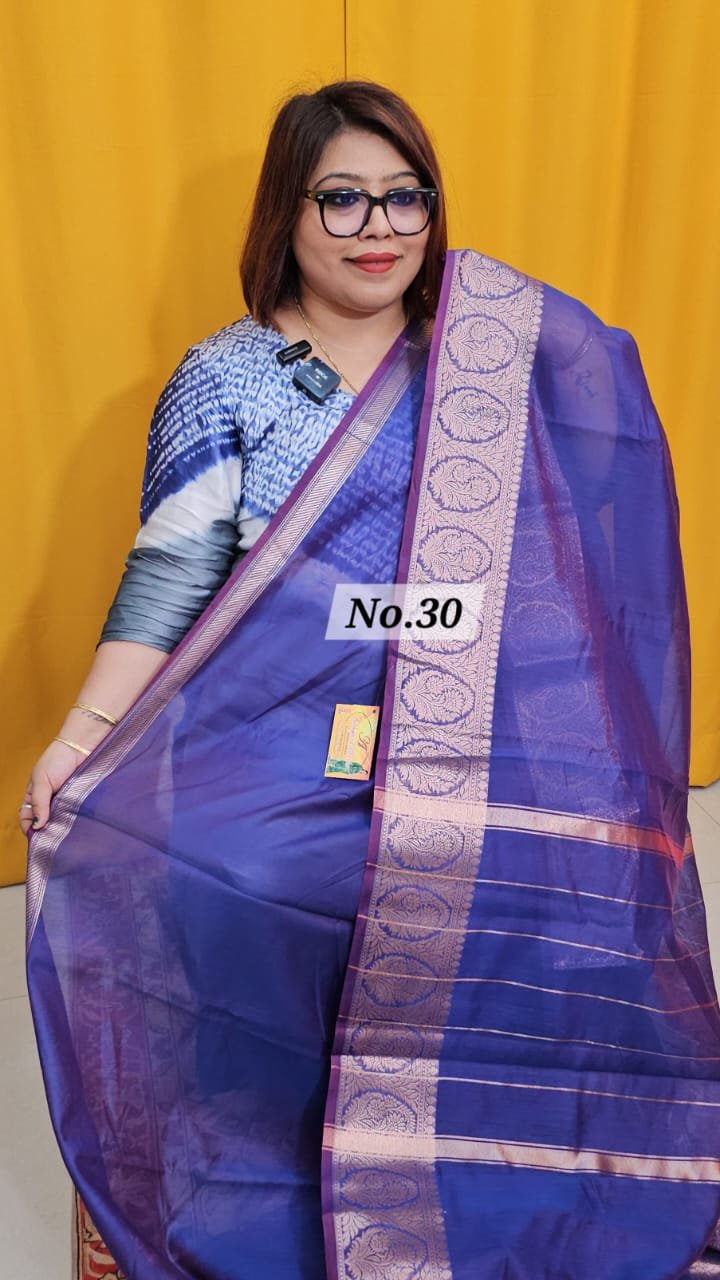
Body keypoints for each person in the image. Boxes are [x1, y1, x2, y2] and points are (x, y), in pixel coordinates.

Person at [21, 80, 720, 1280]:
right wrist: (82, 735)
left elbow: (565, 574)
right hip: (269, 734)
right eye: (340, 198)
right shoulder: (229, 375)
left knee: (580, 886)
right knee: (246, 874)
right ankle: (264, 1192)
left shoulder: (487, 368)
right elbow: (172, 574)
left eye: (405, 196)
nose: (378, 226)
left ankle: (513, 1193)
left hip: (474, 728)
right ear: (285, 216)